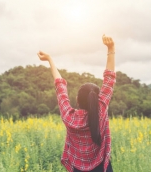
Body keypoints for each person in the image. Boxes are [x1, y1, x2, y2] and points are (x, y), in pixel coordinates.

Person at [37, 34, 116, 172]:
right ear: (97, 99)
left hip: (77, 168)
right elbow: (109, 78)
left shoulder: (69, 116)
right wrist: (111, 48)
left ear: (78, 100)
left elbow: (60, 87)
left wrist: (50, 60)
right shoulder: (101, 110)